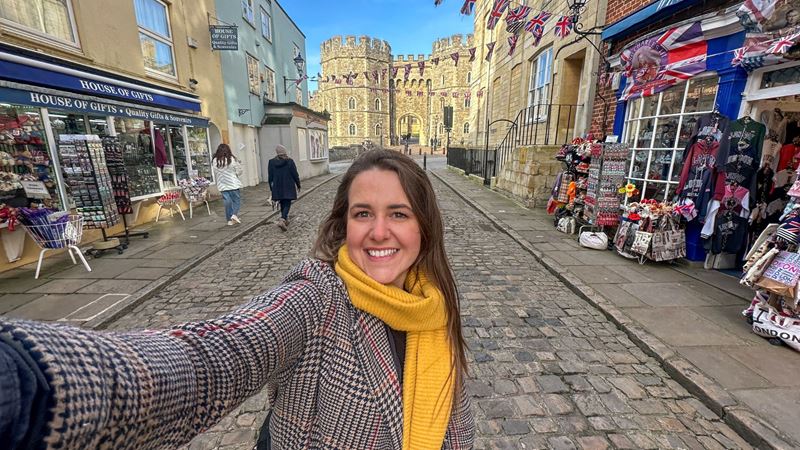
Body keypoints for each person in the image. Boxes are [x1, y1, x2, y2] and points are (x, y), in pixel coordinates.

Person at [0, 148, 475, 449]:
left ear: (424, 225)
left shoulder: (434, 306)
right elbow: (214, 357)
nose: (378, 232)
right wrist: (31, 383)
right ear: (342, 225)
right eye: (362, 213)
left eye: (399, 213)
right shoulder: (318, 298)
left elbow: (456, 423)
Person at [268, 144, 301, 231]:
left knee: (282, 201)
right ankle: (282, 219)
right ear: (285, 152)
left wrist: (271, 188)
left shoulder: (271, 162)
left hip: (277, 186)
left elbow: (270, 176)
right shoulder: (289, 161)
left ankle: (285, 219)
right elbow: (295, 174)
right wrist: (298, 184)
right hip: (288, 185)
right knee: (287, 202)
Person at [213, 143, 243, 226]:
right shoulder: (231, 159)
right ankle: (234, 215)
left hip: (222, 184)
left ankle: (229, 220)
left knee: (227, 202)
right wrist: (235, 173)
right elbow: (239, 171)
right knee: (236, 200)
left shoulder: (215, 161)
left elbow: (215, 171)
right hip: (233, 184)